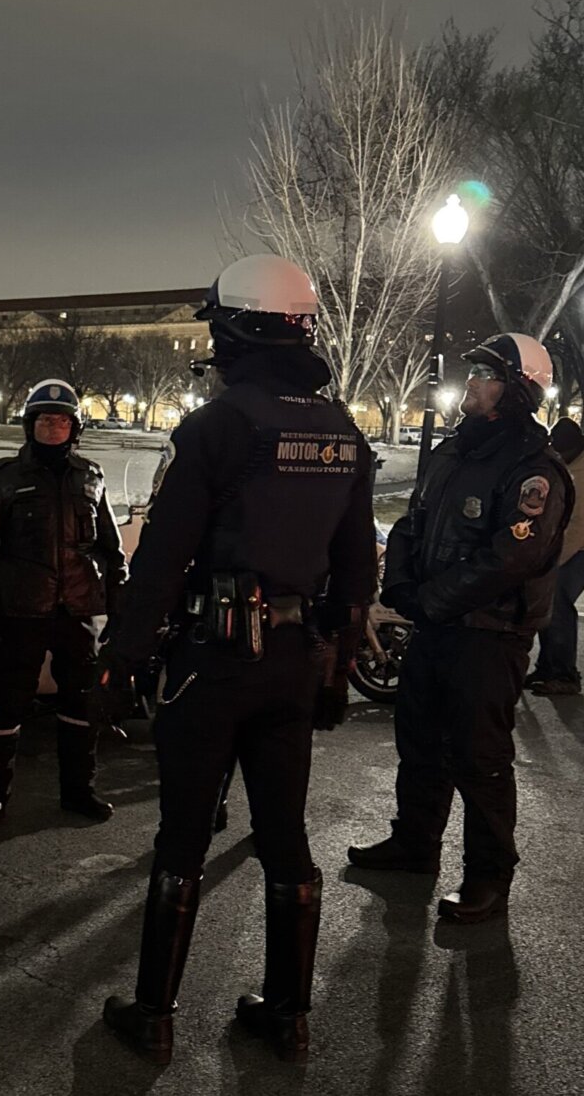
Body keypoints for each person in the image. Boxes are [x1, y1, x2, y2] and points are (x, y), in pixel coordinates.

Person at [97, 254, 377, 1067]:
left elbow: (160, 563)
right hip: (295, 658)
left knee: (184, 834)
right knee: (284, 833)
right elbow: (357, 572)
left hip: (213, 659)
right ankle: (288, 1013)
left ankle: (153, 1014)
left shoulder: (216, 428)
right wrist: (336, 664)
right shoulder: (341, 430)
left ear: (236, 327)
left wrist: (118, 661)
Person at [348, 332, 571, 925]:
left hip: (489, 634)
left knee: (480, 757)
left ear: (518, 391)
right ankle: (414, 845)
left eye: (485, 375)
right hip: (436, 625)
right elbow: (410, 523)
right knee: (418, 741)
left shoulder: (533, 469)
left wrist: (430, 602)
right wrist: (399, 587)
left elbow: (511, 558)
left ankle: (488, 876)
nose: (470, 383)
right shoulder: (454, 452)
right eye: (473, 372)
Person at [0, 378, 128, 828]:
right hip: (21, 610)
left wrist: (119, 608)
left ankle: (79, 791)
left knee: (82, 703)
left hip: (78, 609)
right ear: (28, 425)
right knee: (9, 704)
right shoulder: (5, 479)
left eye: (61, 420)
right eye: (43, 420)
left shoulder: (91, 477)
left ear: (75, 428)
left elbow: (111, 550)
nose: (52, 427)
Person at [529, 417, 584, 696]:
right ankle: (548, 667)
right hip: (565, 543)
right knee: (549, 607)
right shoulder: (570, 464)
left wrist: (553, 559)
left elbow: (579, 527)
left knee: (559, 607)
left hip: (579, 549)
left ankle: (564, 674)